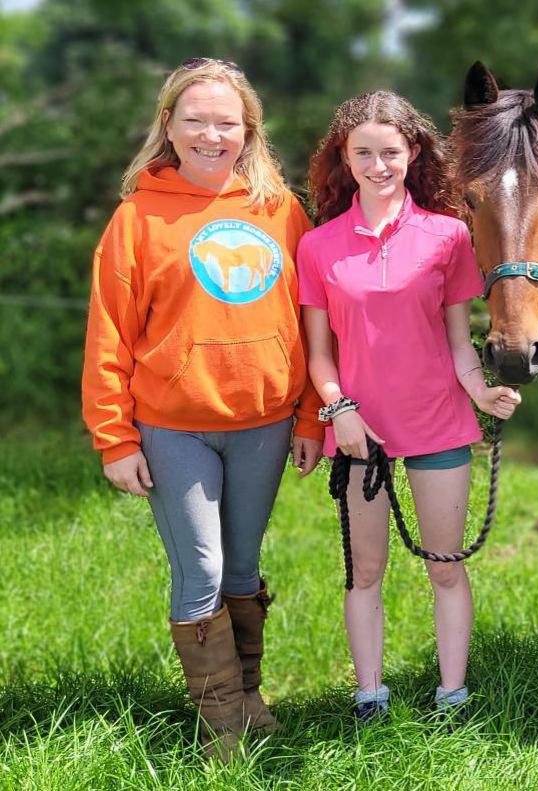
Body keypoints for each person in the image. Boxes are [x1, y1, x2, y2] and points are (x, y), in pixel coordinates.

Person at [82, 58, 324, 760]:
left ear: (248, 129)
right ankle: (221, 725)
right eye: (196, 120)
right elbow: (109, 333)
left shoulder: (281, 208)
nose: (212, 134)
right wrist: (114, 437)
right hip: (173, 424)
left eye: (227, 121)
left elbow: (312, 322)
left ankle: (249, 698)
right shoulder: (137, 218)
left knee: (244, 568)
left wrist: (310, 416)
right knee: (203, 568)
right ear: (169, 125)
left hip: (266, 420)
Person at [298, 90, 521, 724]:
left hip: (438, 423)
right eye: (363, 152)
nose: (377, 165)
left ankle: (452, 695)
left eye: (390, 152)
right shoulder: (319, 246)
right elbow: (319, 357)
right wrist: (337, 409)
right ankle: (369, 695)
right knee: (365, 571)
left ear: (412, 152)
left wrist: (481, 392)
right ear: (345, 156)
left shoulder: (449, 237)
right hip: (359, 432)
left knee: (444, 567)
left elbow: (459, 342)